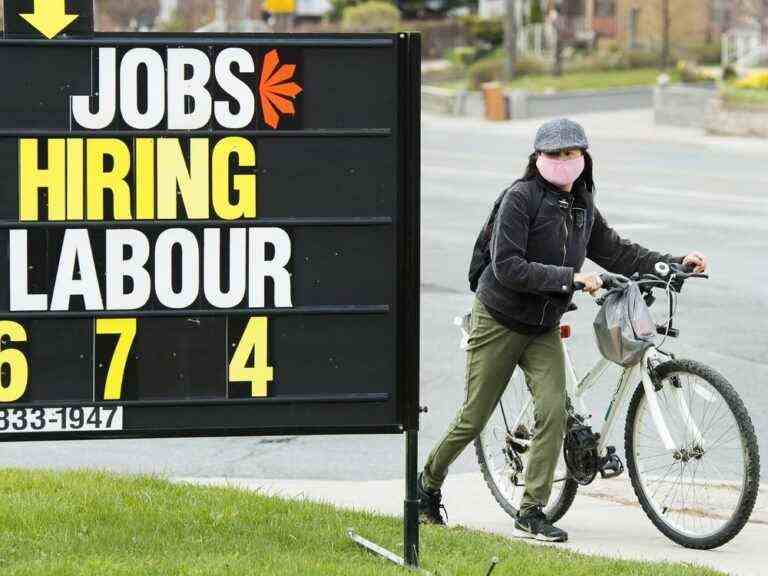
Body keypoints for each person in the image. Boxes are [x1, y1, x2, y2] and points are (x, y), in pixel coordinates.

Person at [416, 118, 708, 542]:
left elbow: (616, 250)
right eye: (553, 154)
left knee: (552, 412)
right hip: (499, 319)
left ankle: (531, 511)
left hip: (542, 325)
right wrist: (569, 279)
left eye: (571, 153)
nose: (563, 161)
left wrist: (674, 263)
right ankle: (427, 485)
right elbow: (508, 266)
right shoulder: (520, 199)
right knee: (473, 417)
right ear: (537, 158)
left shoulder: (582, 203)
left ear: (584, 157)